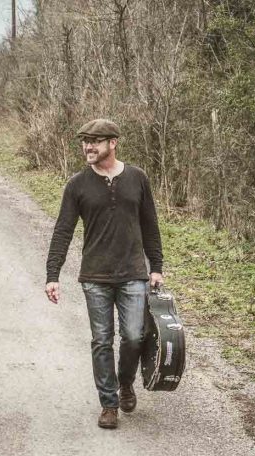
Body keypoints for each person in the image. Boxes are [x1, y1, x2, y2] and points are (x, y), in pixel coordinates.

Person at [44, 118, 164, 429]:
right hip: (95, 276)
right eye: (85, 141)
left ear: (113, 143)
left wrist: (156, 267)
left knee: (134, 337)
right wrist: (52, 274)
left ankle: (125, 383)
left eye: (95, 141)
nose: (88, 146)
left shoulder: (137, 178)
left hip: (133, 273)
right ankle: (109, 404)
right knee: (101, 341)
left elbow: (150, 225)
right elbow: (63, 231)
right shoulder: (77, 184)